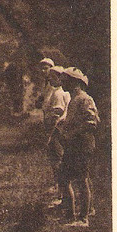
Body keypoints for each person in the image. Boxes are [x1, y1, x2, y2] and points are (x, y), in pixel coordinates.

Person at [58, 67, 99, 228]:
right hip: (72, 144)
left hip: (82, 143)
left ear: (75, 82)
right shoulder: (73, 99)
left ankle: (83, 218)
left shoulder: (85, 99)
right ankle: (70, 215)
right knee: (64, 177)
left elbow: (92, 122)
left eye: (65, 80)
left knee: (81, 179)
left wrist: (72, 132)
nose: (62, 83)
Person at [42, 66, 71, 210]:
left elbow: (56, 114)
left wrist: (50, 134)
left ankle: (61, 195)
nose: (50, 79)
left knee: (57, 162)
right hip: (59, 131)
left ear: (60, 78)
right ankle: (61, 194)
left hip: (56, 132)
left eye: (53, 77)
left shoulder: (59, 94)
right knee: (57, 162)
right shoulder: (59, 92)